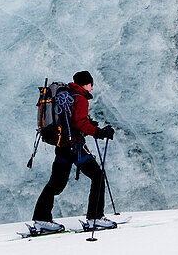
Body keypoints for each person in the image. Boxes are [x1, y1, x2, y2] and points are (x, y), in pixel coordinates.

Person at [32, 70, 117, 232]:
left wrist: (91, 125)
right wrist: (100, 132)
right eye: (91, 85)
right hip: (75, 147)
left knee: (56, 184)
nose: (92, 88)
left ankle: (41, 219)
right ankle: (95, 218)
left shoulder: (67, 95)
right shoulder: (80, 99)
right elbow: (80, 123)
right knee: (97, 176)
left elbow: (74, 120)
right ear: (86, 84)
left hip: (62, 146)